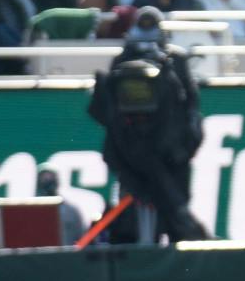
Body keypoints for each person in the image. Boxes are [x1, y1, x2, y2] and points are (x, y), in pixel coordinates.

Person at [87, 15, 208, 243]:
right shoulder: (122, 60)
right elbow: (110, 109)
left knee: (176, 213)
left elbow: (190, 104)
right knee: (135, 216)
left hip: (171, 155)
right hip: (132, 154)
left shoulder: (175, 60)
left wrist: (184, 146)